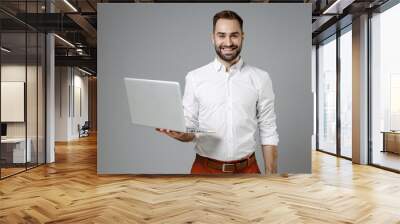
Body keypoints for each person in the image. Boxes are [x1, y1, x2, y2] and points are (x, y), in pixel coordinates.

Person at [156, 10, 278, 174]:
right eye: (221, 35)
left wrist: (272, 177)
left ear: (242, 36)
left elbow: (268, 128)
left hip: (248, 169)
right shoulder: (194, 78)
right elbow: (190, 130)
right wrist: (180, 134)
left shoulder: (261, 78)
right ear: (213, 37)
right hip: (204, 169)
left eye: (234, 35)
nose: (228, 42)